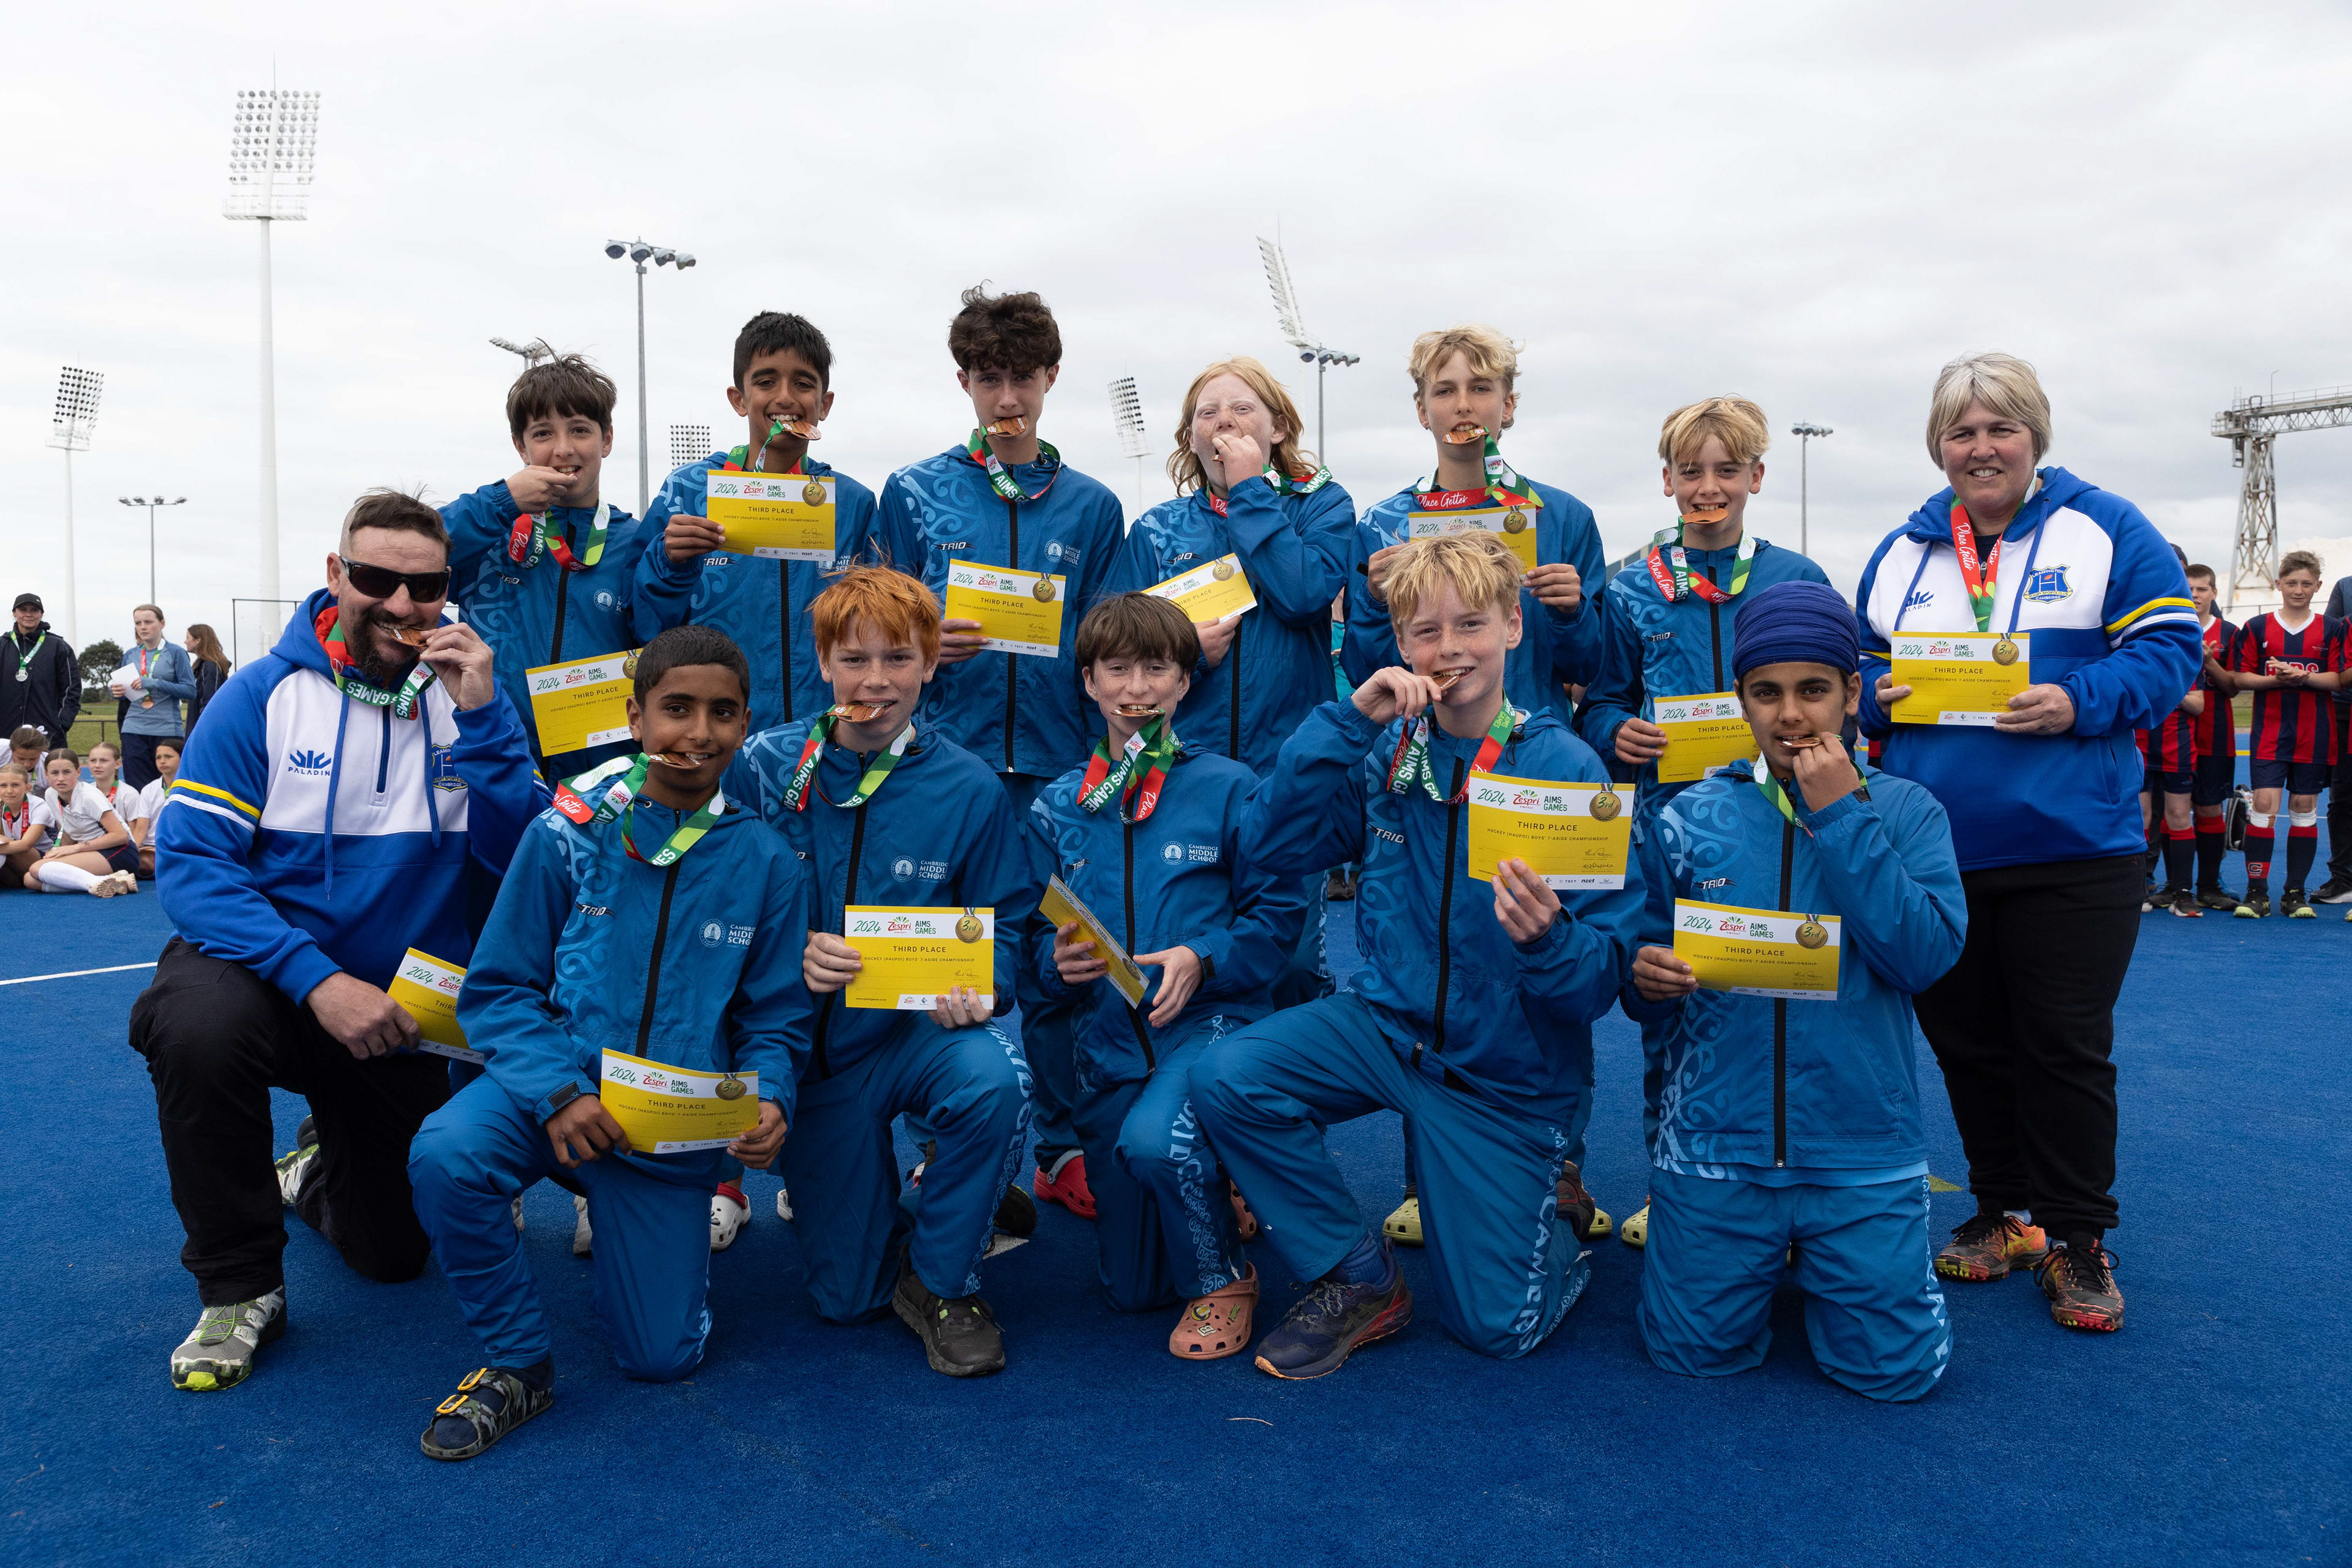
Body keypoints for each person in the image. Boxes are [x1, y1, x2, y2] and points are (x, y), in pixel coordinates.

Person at [1193, 533, 1643, 1379]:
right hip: (1385, 1027)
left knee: (1499, 1328)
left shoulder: (1566, 767)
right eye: (1426, 631)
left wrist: (1549, 940)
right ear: (1400, 642)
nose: (1449, 648)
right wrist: (1346, 720)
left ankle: (1547, 1219)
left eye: (1471, 624)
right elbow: (1269, 845)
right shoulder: (1384, 751)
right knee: (1227, 1077)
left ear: (1513, 627)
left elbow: (1598, 986)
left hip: (1501, 1077)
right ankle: (1358, 1274)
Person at [128, 489, 544, 1392]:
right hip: (275, 984)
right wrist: (316, 980)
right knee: (193, 1023)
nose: (401, 603)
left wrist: (485, 721)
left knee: (394, 1255)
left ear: (446, 588)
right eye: (375, 578)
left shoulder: (473, 698)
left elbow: (525, 863)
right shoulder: (260, 696)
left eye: (424, 586)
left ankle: (312, 1170)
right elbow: (194, 867)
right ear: (335, 574)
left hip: (400, 1016)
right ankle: (240, 1286)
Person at [1855, 352, 2199, 1333]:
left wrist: (2079, 700)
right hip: (1935, 850)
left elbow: (2171, 651)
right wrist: (1873, 696)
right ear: (1939, 446)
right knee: (1968, 1046)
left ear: (2035, 436)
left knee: (2063, 1046)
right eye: (1961, 432)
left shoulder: (2106, 526)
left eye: (2000, 427)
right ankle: (2001, 1212)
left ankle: (2079, 1237)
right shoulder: (1902, 550)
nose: (1982, 448)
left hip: (2073, 847)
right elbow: (1857, 668)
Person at [407, 626, 809, 1460]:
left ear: (746, 724)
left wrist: (771, 1093)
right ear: (635, 715)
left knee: (661, 1359)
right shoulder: (569, 832)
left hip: (667, 1126)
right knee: (447, 1153)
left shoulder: (768, 860)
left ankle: (640, 1234)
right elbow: (499, 989)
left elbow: (774, 1016)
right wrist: (560, 1091)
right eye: (676, 709)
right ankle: (518, 1361)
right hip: (552, 1093)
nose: (698, 732)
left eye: (722, 714)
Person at [1625, 581, 1961, 1401]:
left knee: (1896, 1376)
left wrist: (1842, 815)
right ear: (1740, 699)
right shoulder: (1687, 815)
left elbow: (1922, 959)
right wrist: (1643, 974)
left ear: (1852, 692)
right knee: (1688, 1354)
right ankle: (1762, 1256)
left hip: (1860, 1146)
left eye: (1813, 690)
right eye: (1766, 692)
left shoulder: (1906, 811)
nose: (1790, 715)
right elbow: (1637, 975)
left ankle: (1837, 1261)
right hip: (1717, 1146)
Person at [723, 565, 1038, 1378]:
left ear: (931, 663)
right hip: (804, 1058)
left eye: (898, 658)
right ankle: (921, 1208)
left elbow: (1005, 925)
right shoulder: (763, 765)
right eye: (854, 659)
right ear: (822, 662)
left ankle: (944, 1281)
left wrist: (984, 987)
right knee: (847, 1300)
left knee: (997, 1077)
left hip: (910, 1037)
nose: (876, 681)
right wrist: (785, 950)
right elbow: (710, 902)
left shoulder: (969, 786)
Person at [875, 284, 1126, 1221]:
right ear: (965, 383)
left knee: (1063, 963)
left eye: (1023, 377)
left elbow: (1110, 640)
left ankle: (1063, 1147)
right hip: (944, 768)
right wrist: (921, 639)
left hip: (1062, 774)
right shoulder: (914, 491)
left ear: (1052, 377)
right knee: (940, 956)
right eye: (989, 379)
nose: (1007, 397)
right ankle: (942, 1148)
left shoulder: (1094, 508)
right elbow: (877, 624)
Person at [1575, 396, 1831, 1254]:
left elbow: (1842, 694)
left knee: (1782, 1002)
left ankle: (1792, 1189)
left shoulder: (1797, 577)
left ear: (1757, 476)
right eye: (1691, 472)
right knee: (1675, 1004)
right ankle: (1674, 1184)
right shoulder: (1628, 586)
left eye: (1727, 470)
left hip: (1785, 824)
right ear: (1667, 480)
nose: (1708, 486)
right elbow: (1601, 699)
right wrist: (1615, 730)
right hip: (1673, 832)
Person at [1030, 593, 1308, 1357]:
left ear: (1186, 680)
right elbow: (1027, 945)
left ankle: (1224, 1280)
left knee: (1158, 1143)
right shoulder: (1057, 806)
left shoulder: (1231, 785)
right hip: (1110, 1050)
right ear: (1088, 681)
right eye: (1117, 670)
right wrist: (1054, 964)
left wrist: (1203, 955)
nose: (1137, 688)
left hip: (1212, 1026)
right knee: (1131, 1291)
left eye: (1157, 669)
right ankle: (1218, 1175)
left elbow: (1277, 921)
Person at [1345, 326, 1606, 731]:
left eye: (1481, 388)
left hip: (1530, 747)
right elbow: (1363, 672)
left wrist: (1573, 614)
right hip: (1420, 751)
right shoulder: (1381, 525)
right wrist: (1375, 602)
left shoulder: (1564, 517)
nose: (1463, 405)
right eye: (1445, 391)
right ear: (1422, 411)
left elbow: (1589, 670)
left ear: (1508, 405)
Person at [636, 311, 883, 734]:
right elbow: (643, 626)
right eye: (766, 382)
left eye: (803, 384)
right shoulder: (689, 490)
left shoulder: (853, 503)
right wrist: (667, 562)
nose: (785, 397)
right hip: (715, 738)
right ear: (739, 399)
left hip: (826, 735)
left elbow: (879, 627)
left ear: (824, 404)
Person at [439, 353, 658, 780]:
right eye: (543, 434)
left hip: (603, 781)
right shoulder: (488, 533)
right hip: (494, 764)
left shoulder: (637, 543)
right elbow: (411, 553)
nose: (563, 449)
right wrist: (502, 501)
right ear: (520, 446)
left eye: (580, 430)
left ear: (607, 439)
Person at [2223, 552, 2343, 919]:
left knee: (2304, 808)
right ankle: (2257, 893)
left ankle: (2295, 894)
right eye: (2291, 583)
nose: (2298, 590)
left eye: (2306, 584)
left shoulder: (2333, 629)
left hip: (2315, 733)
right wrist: (2276, 679)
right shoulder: (2257, 627)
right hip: (2270, 733)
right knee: (2264, 806)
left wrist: (2304, 676)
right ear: (2279, 584)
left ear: (2318, 587)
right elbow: (2239, 678)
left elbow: (2340, 679)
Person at [2185, 565, 2241, 910]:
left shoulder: (2230, 633)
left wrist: (2209, 662)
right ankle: (2172, 885)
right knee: (2169, 810)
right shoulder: (2170, 628)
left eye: (2202, 589)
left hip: (2215, 735)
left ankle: (2208, 884)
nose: (2195, 595)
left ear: (2214, 594)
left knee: (2208, 809)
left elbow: (2234, 687)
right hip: (2172, 734)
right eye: (2189, 588)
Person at [2134, 662, 2204, 917]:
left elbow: (2198, 705)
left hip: (2178, 748)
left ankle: (2182, 892)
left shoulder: (2186, 662)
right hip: (2139, 747)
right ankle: (2139, 888)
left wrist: (2172, 692)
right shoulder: (2134, 659)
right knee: (2140, 818)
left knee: (2179, 816)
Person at [21, 748, 138, 896]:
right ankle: (111, 881)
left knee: (38, 868)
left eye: (67, 772)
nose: (61, 778)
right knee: (30, 880)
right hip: (89, 851)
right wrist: (61, 851)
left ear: (78, 772)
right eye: (55, 773)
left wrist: (74, 849)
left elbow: (120, 836)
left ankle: (97, 882)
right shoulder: (50, 794)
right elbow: (66, 831)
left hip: (120, 851)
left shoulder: (89, 796)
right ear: (46, 775)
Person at [118, 604, 197, 790]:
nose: (143, 627)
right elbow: (125, 693)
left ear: (162, 624)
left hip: (166, 729)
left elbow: (190, 691)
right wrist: (117, 693)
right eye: (138, 623)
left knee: (169, 786)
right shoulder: (130, 655)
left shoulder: (176, 652)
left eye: (148, 622)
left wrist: (154, 683)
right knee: (137, 788)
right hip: (134, 728)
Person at [1, 592, 79, 748]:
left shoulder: (59, 647)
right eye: (23, 610)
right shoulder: (2, 646)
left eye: (34, 610)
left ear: (41, 614)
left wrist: (61, 724)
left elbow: (72, 689)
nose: (29, 614)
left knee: (52, 765)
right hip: (5, 734)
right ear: (14, 613)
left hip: (48, 734)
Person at [2321, 566, 2352, 906]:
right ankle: (2343, 878)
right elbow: (2331, 634)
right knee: (2342, 795)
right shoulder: (2346, 586)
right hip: (2345, 706)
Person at [132, 737, 181, 878]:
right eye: (158, 757)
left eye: (168, 757)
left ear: (182, 758)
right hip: (151, 848)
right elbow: (141, 829)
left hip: (179, 846)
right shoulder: (149, 790)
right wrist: (132, 853)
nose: (162, 761)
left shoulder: (192, 788)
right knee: (142, 860)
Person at [182, 623, 233, 736]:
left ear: (198, 640)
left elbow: (210, 699)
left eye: (188, 638)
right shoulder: (201, 666)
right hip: (199, 726)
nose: (185, 642)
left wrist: (203, 729)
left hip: (204, 729)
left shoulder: (210, 666)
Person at [0, 762, 43, 889]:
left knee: (8, 845)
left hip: (42, 858)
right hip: (13, 859)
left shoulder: (39, 806)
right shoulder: (2, 806)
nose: (9, 791)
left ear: (27, 788)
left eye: (15, 785)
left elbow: (26, 845)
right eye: (3, 786)